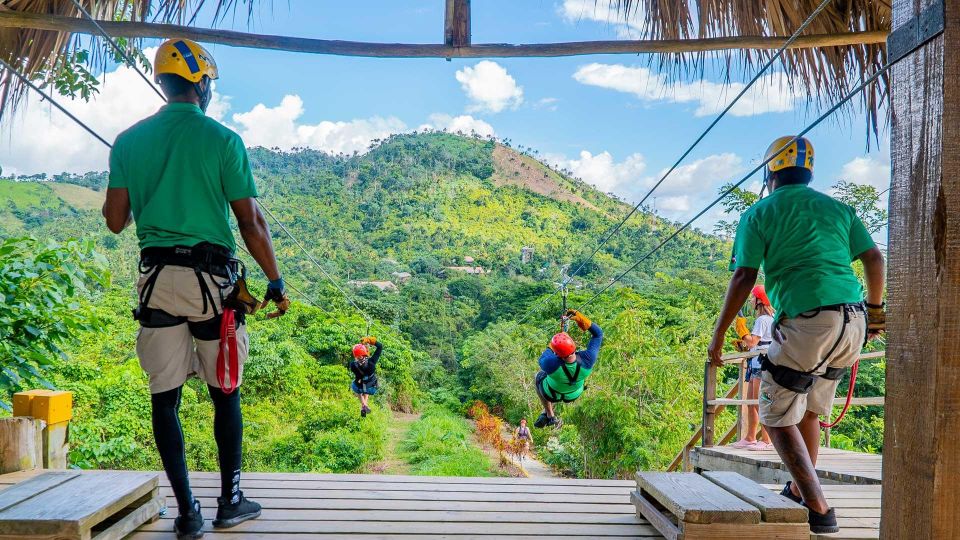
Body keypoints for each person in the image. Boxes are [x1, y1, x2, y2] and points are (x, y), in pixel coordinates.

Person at [102, 39, 290, 539]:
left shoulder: (128, 141)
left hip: (157, 283)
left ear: (164, 84)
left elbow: (116, 221)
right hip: (211, 284)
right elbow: (250, 222)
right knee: (224, 392)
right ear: (202, 84)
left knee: (165, 399)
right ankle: (231, 501)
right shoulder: (223, 140)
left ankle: (188, 513)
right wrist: (275, 282)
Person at [707, 136, 885, 534]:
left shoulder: (759, 213)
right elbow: (874, 258)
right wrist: (875, 313)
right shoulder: (838, 209)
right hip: (853, 320)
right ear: (809, 172)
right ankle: (798, 490)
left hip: (808, 320)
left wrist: (718, 335)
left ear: (770, 172)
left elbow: (744, 275)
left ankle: (818, 506)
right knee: (808, 410)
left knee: (773, 412)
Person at [533, 309, 603, 428]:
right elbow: (598, 334)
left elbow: (548, 351)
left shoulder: (550, 363)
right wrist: (582, 320)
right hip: (573, 394)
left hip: (551, 394)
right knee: (560, 382)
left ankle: (549, 415)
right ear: (573, 345)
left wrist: (557, 340)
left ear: (557, 353)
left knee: (538, 376)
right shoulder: (588, 359)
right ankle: (547, 413)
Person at [730, 284, 775, 451]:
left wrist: (742, 331)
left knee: (759, 403)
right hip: (757, 362)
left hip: (761, 365)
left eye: (752, 297)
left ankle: (766, 439)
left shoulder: (762, 320)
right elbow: (757, 344)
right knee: (751, 403)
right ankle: (750, 437)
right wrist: (745, 345)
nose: (751, 300)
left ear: (759, 301)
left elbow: (752, 342)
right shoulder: (772, 318)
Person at [349, 336, 382, 417]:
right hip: (371, 388)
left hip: (359, 387)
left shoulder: (353, 365)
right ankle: (364, 405)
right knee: (367, 385)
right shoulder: (371, 362)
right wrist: (370, 341)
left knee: (356, 386)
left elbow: (358, 359)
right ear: (365, 353)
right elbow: (380, 346)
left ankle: (363, 404)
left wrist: (361, 348)